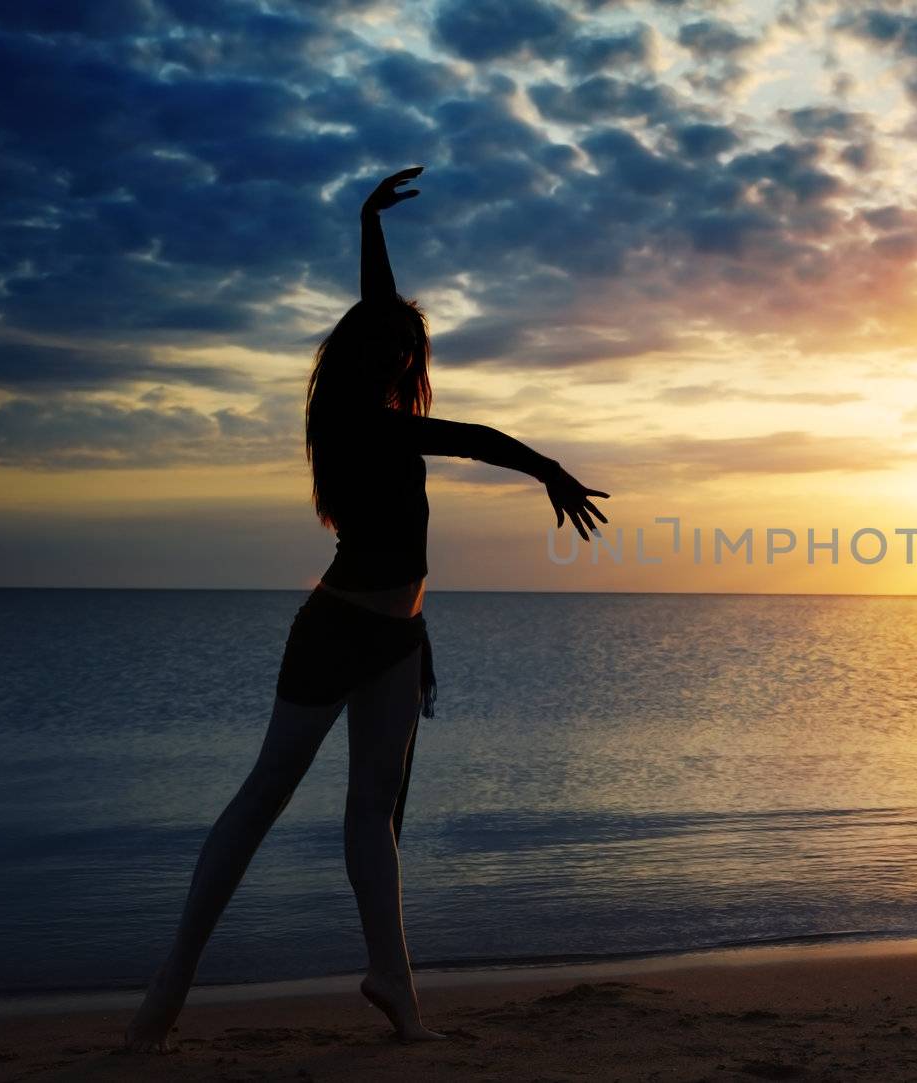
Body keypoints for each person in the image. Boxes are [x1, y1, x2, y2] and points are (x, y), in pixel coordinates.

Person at [123, 167, 608, 1051]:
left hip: (396, 636)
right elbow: (469, 438)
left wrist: (367, 223)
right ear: (365, 356)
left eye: (406, 353)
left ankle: (395, 984)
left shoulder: (377, 397)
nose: (403, 362)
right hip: (336, 629)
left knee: (373, 811)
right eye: (390, 351)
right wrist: (548, 469)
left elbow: (380, 307)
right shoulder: (357, 420)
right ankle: (171, 982)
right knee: (262, 798)